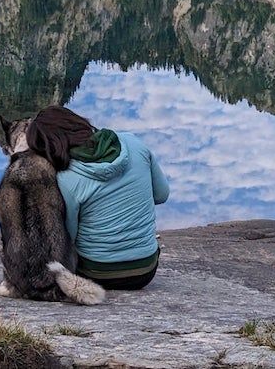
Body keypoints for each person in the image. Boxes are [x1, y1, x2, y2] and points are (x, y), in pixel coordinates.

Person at [27, 105, 169, 290]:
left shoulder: (66, 179)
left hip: (98, 274)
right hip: (146, 269)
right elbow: (161, 195)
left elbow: (68, 238)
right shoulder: (134, 143)